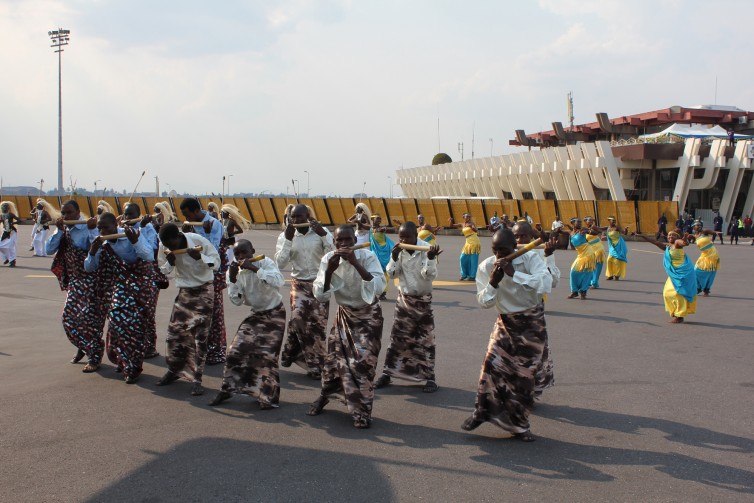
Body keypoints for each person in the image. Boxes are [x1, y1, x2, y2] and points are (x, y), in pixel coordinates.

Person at [461, 228, 551, 442]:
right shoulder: (486, 266)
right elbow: (484, 302)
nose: (500, 255)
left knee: (523, 377)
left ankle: (520, 426)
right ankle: (481, 413)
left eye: (504, 250)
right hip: (505, 322)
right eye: (495, 250)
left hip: (531, 324)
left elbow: (546, 283)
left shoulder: (530, 258)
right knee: (491, 366)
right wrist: (493, 282)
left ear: (514, 247)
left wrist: (514, 273)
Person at [307, 225, 386, 429]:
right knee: (333, 362)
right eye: (339, 241)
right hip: (344, 315)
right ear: (334, 242)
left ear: (355, 240)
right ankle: (325, 396)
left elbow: (379, 287)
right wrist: (329, 272)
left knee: (363, 364)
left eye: (347, 240)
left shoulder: (367, 256)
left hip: (368, 315)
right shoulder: (328, 259)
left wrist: (356, 263)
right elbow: (320, 295)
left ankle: (362, 411)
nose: (343, 244)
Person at [209, 239, 287, 410]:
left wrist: (254, 268)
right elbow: (237, 301)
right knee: (235, 351)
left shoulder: (265, 262)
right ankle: (228, 388)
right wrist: (233, 279)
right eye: (237, 254)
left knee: (267, 356)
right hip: (257, 315)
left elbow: (279, 281)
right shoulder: (235, 270)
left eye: (244, 252)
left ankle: (267, 396)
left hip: (275, 313)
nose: (241, 257)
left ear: (252, 250)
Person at [84, 213, 155, 383]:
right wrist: (92, 252)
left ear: (114, 226)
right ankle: (125, 361)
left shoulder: (130, 234)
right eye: (99, 228)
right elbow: (89, 268)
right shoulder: (101, 242)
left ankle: (133, 366)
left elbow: (149, 256)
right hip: (120, 285)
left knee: (135, 327)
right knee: (116, 321)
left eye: (105, 227)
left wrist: (136, 241)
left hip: (140, 284)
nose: (102, 231)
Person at [375, 221, 441, 393]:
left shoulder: (427, 249)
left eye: (407, 237)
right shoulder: (399, 250)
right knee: (397, 338)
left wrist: (431, 259)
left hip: (422, 301)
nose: (404, 240)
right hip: (404, 300)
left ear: (415, 236)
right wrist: (394, 257)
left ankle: (429, 377)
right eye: (401, 236)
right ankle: (388, 373)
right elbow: (392, 273)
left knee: (425, 340)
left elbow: (428, 276)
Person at [155, 222, 220, 395]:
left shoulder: (197, 240)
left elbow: (217, 263)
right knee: (174, 334)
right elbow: (162, 271)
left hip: (204, 290)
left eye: (172, 244)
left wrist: (200, 258)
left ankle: (197, 379)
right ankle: (174, 370)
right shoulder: (164, 246)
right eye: (166, 245)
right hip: (185, 292)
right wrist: (169, 263)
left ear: (178, 236)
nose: (169, 247)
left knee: (200, 338)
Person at [275, 204, 334, 378]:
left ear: (308, 217)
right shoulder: (285, 236)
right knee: (298, 319)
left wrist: (324, 235)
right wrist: (287, 239)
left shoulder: (321, 233)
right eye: (293, 217)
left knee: (317, 325)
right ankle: (311, 362)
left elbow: (333, 255)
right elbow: (280, 263)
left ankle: (315, 363)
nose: (296, 221)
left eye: (300, 217)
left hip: (320, 282)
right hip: (299, 284)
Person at [46, 200, 103, 371]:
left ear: (78, 212)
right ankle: (86, 347)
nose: (66, 216)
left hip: (90, 281)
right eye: (63, 213)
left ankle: (93, 354)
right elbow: (49, 249)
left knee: (89, 320)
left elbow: (97, 254)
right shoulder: (63, 229)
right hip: (74, 281)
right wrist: (58, 230)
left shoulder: (87, 228)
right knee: (70, 318)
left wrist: (93, 230)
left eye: (69, 212)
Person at [511, 221, 557, 397]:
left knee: (533, 355)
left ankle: (530, 391)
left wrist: (549, 256)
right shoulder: (507, 253)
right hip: (511, 314)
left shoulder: (539, 253)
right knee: (511, 355)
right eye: (516, 236)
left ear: (531, 237)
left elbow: (551, 283)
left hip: (533, 312)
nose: (520, 239)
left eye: (524, 235)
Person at [179, 198, 226, 365]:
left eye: (186, 214)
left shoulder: (214, 224)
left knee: (214, 313)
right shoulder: (191, 224)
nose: (185, 216)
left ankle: (216, 351)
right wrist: (183, 234)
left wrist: (204, 233)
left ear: (195, 211)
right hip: (194, 275)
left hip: (212, 273)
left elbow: (212, 249)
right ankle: (198, 351)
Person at [122, 202, 162, 359]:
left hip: (147, 275)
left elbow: (152, 250)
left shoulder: (148, 228)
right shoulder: (123, 228)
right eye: (126, 214)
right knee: (128, 312)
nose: (128, 217)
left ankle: (149, 346)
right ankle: (132, 345)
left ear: (138, 214)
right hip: (128, 276)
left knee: (147, 312)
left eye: (131, 214)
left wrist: (142, 229)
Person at [635, 230, 697, 323]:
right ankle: (675, 312)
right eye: (669, 235)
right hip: (673, 274)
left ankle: (679, 316)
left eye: (673, 235)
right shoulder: (667, 247)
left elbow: (684, 243)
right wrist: (643, 236)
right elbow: (655, 242)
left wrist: (685, 240)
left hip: (683, 273)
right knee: (667, 293)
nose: (670, 236)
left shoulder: (677, 243)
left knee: (679, 294)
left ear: (676, 237)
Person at [687, 221, 720, 296]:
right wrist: (687, 237)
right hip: (704, 254)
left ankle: (706, 289)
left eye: (699, 225)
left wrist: (714, 235)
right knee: (696, 270)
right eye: (696, 225)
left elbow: (713, 233)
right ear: (693, 227)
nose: (698, 226)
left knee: (710, 271)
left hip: (712, 253)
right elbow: (686, 242)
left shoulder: (704, 231)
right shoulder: (695, 236)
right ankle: (699, 287)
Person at [566, 218, 595, 299]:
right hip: (581, 255)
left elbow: (594, 232)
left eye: (580, 222)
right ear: (572, 223)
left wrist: (589, 231)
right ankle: (575, 291)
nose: (579, 223)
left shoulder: (582, 230)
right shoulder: (571, 232)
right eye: (577, 222)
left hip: (588, 253)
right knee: (573, 272)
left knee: (587, 272)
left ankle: (583, 291)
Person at [447, 213, 480, 281]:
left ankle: (472, 276)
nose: (468, 217)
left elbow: (475, 230)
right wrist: (451, 221)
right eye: (466, 216)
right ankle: (464, 275)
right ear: (463, 217)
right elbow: (452, 226)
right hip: (467, 242)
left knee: (473, 260)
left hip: (474, 242)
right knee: (462, 258)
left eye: (469, 216)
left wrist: (473, 228)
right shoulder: (462, 224)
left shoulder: (471, 223)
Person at [369, 214, 394, 300]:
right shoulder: (370, 229)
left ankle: (383, 292)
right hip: (375, 252)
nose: (380, 220)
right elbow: (355, 222)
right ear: (373, 219)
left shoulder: (381, 228)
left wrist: (384, 229)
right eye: (378, 218)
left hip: (384, 252)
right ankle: (375, 290)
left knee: (384, 272)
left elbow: (388, 229)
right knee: (374, 271)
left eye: (380, 218)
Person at [584, 217, 605, 289]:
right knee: (590, 266)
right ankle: (590, 281)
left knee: (597, 266)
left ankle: (595, 282)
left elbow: (600, 231)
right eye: (588, 220)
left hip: (598, 249)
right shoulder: (584, 229)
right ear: (585, 222)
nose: (590, 221)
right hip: (590, 250)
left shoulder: (594, 227)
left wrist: (595, 227)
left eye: (591, 220)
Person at [0, 201, 21, 267]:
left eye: (6, 207)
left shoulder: (10, 214)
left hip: (12, 232)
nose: (4, 208)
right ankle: (7, 258)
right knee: (1, 246)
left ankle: (12, 261)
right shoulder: (1, 215)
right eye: (3, 207)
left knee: (10, 246)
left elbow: (19, 220)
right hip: (5, 232)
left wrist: (13, 223)